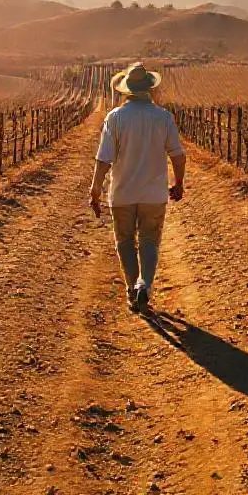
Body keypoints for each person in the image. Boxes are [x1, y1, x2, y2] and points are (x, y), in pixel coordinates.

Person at [90, 62, 186, 313]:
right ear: (150, 89)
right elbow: (178, 154)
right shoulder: (163, 117)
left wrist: (95, 190)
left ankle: (132, 288)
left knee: (124, 242)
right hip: (154, 194)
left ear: (126, 91)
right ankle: (146, 284)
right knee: (150, 241)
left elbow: (104, 159)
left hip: (122, 193)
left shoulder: (116, 118)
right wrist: (178, 182)